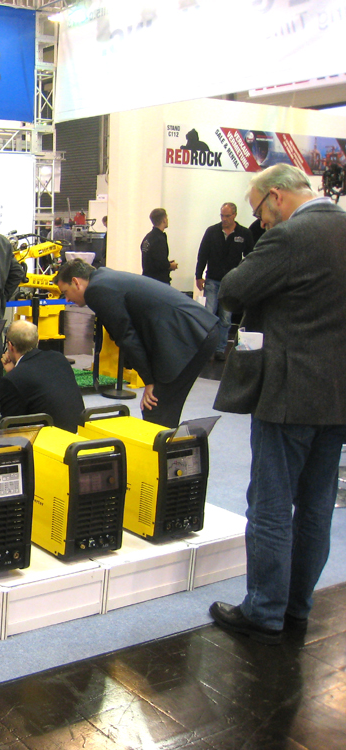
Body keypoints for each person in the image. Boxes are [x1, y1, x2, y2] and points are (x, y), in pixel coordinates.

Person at [209, 164, 346, 645]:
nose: (260, 222)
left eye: (259, 212)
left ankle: (264, 610)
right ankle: (296, 605)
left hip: (287, 393)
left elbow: (232, 291)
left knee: (269, 504)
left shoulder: (289, 236)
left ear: (277, 196)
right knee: (315, 508)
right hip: (337, 396)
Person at [54, 260, 218, 428]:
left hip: (190, 333)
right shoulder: (103, 279)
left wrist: (149, 381)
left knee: (156, 408)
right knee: (161, 408)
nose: (67, 299)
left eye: (65, 292)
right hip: (194, 328)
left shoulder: (96, 290)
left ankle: (164, 444)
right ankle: (168, 442)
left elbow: (127, 337)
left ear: (76, 282)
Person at [0, 320, 84, 433]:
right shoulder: (59, 358)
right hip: (79, 435)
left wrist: (12, 374)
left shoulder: (13, 379)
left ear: (10, 346)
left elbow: (10, 426)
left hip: (48, 439)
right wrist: (13, 371)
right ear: (37, 341)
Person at [195, 202, 255, 361]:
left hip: (231, 282)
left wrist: (245, 276)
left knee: (226, 319)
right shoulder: (212, 231)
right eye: (222, 215)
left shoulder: (244, 233)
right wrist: (198, 275)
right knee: (209, 315)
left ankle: (220, 349)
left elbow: (251, 256)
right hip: (212, 279)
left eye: (227, 216)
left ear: (234, 215)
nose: (224, 219)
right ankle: (207, 349)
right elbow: (203, 253)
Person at [140, 208, 177, 285]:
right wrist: (170, 265)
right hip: (158, 283)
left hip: (147, 280)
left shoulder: (147, 238)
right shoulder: (159, 239)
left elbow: (153, 260)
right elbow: (161, 263)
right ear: (164, 220)